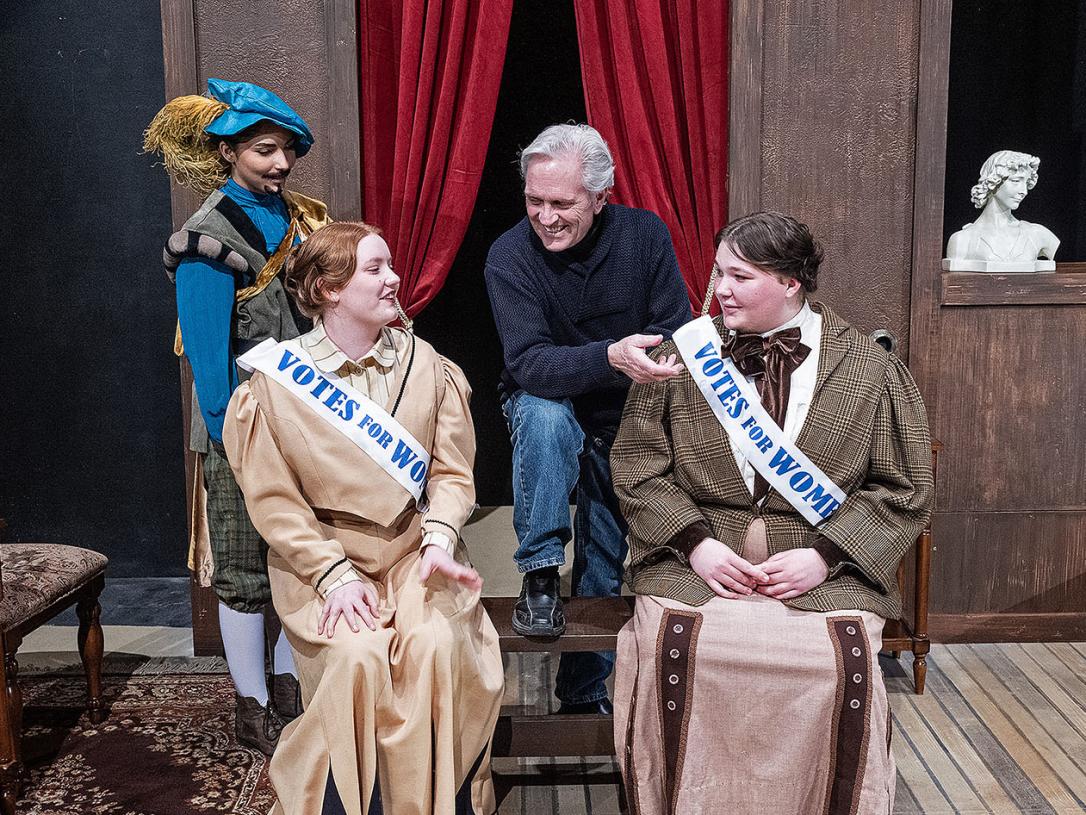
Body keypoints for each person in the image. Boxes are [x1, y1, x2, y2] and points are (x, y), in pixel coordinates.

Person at [610, 211, 934, 813]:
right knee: (673, 652)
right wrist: (696, 544)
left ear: (790, 283)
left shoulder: (870, 370)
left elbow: (906, 489)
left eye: (739, 276)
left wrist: (826, 556)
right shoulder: (683, 356)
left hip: (823, 574)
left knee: (838, 667)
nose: (719, 290)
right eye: (717, 274)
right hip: (695, 564)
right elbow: (636, 468)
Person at [223, 221, 504, 814]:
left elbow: (452, 475)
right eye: (375, 269)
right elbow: (275, 501)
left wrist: (441, 538)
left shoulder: (428, 365)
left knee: (433, 645)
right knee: (357, 658)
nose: (394, 279)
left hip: (413, 552)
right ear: (329, 289)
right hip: (323, 562)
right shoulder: (273, 387)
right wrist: (333, 574)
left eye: (390, 265)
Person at [144, 78, 331, 753]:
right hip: (242, 425)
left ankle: (290, 685)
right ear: (227, 153)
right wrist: (233, 434)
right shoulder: (204, 238)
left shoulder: (303, 220)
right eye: (262, 150)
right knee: (246, 569)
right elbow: (206, 356)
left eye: (284, 151)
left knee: (297, 556)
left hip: (304, 419)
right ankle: (251, 703)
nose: (279, 164)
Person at [484, 123, 690, 714]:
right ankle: (540, 573)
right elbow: (529, 364)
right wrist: (609, 356)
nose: (544, 217)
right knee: (547, 415)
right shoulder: (509, 254)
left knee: (603, 558)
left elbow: (673, 334)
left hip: (625, 412)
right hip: (543, 402)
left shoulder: (644, 236)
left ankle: (581, 691)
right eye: (534, 200)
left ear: (600, 198)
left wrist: (630, 364)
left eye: (561, 203)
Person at [946, 149, 1059, 265]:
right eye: (1016, 181)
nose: (1024, 191)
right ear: (993, 181)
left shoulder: (1037, 234)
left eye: (1026, 183)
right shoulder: (962, 240)